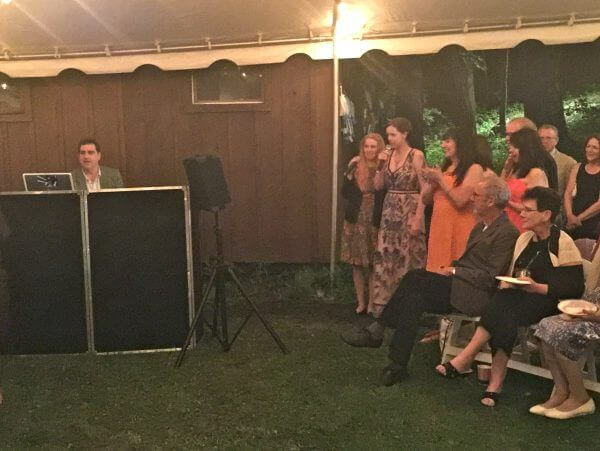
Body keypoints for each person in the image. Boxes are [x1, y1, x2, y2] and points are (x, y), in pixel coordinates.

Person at [341, 174, 519, 387]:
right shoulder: (481, 226)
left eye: (476, 195)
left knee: (415, 278)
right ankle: (396, 365)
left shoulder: (507, 232)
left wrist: (454, 271)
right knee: (414, 299)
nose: (472, 198)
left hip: (475, 294)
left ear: (490, 201)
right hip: (459, 286)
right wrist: (451, 269)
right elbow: (468, 262)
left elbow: (491, 277)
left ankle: (379, 329)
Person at [436, 187, 585, 407]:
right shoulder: (525, 239)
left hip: (550, 301)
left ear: (546, 215)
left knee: (502, 307)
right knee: (502, 306)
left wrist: (536, 288)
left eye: (528, 210)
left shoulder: (562, 242)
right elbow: (516, 273)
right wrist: (510, 281)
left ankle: (472, 363)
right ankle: (493, 382)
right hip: (520, 298)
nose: (521, 214)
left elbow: (573, 287)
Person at [369, 118, 426, 317]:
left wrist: (418, 217)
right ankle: (384, 305)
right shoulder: (388, 155)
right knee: (387, 255)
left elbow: (424, 187)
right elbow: (377, 186)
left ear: (405, 134)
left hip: (409, 207)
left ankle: (408, 307)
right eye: (388, 135)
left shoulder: (416, 155)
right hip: (390, 207)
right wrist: (380, 164)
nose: (390, 139)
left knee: (407, 257)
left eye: (393, 135)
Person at [529, 287, 600, 419]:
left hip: (595, 319)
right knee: (547, 324)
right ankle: (561, 391)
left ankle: (580, 398)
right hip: (589, 313)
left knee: (564, 333)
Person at [422, 128, 483, 274]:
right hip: (439, 228)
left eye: (448, 141)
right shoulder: (445, 168)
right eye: (443, 141)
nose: (443, 145)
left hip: (460, 227)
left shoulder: (474, 168)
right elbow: (426, 200)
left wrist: (441, 181)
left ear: (461, 144)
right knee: (436, 271)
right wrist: (433, 184)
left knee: (454, 271)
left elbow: (461, 200)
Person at [340, 133, 386, 314]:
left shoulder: (383, 165)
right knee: (357, 262)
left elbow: (384, 189)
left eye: (373, 147)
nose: (369, 150)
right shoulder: (355, 164)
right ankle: (360, 301)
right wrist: (349, 178)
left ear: (379, 148)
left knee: (374, 260)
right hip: (356, 216)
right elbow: (345, 192)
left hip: (374, 216)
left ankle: (373, 303)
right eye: (366, 146)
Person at [502, 128, 549, 232]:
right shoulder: (515, 170)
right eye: (510, 146)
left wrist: (507, 203)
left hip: (523, 227)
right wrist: (505, 170)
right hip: (507, 225)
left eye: (515, 147)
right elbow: (499, 189)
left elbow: (537, 207)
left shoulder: (536, 173)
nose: (510, 150)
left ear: (526, 148)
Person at [563, 134, 600, 240]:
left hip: (593, 221)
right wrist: (570, 215)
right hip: (572, 218)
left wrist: (578, 219)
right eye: (588, 146)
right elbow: (568, 193)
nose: (590, 150)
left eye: (595, 147)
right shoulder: (577, 167)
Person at [506, 117, 558, 191]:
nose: (507, 138)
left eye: (512, 135)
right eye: (507, 134)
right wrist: (506, 170)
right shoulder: (517, 159)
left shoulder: (542, 160)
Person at [538, 124, 577, 198]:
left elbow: (571, 193)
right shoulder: (530, 159)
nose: (544, 141)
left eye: (548, 138)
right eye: (541, 138)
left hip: (557, 207)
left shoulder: (568, 162)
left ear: (556, 140)